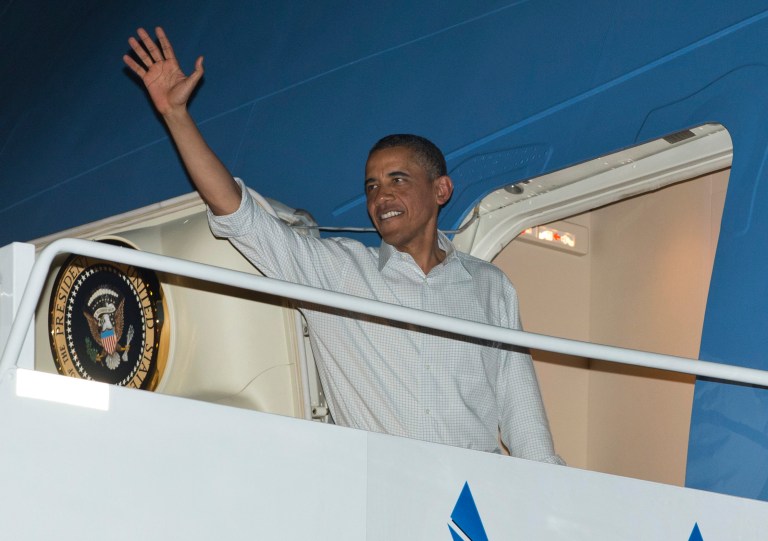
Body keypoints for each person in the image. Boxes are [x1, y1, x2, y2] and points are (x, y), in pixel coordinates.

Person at [124, 26, 564, 464]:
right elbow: (239, 215)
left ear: (441, 190)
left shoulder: (489, 285)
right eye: (372, 186)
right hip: (381, 500)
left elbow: (520, 408)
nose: (381, 196)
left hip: (474, 502)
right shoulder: (336, 274)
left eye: (398, 180)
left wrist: (551, 501)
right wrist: (176, 115)